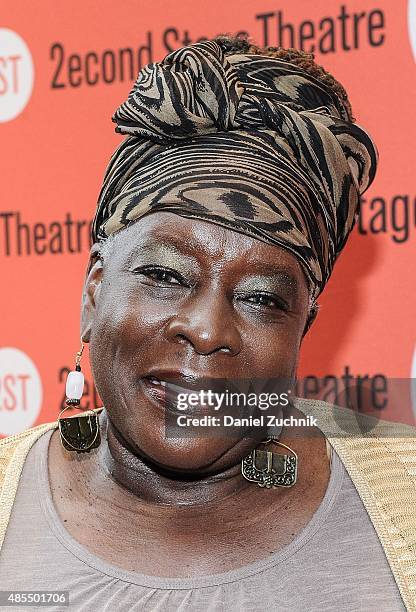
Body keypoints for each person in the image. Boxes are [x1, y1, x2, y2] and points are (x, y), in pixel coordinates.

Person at [0, 34, 415, 612]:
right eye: (166, 275)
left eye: (261, 299)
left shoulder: (408, 497)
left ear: (304, 326)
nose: (206, 329)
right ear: (94, 291)